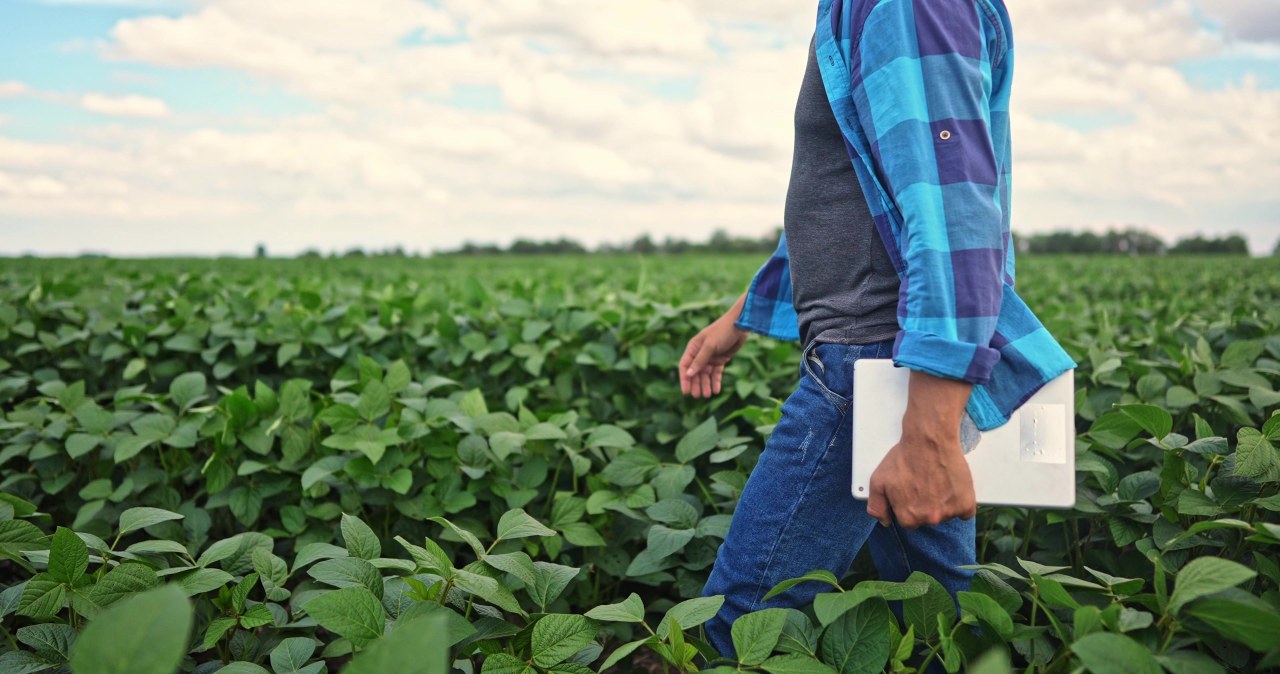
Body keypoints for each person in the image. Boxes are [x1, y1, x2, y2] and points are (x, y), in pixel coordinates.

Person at [678, 0, 1075, 658]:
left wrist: (928, 429)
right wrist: (745, 312)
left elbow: (952, 212)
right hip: (881, 363)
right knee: (939, 628)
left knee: (738, 631)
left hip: (875, 369)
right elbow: (851, 197)